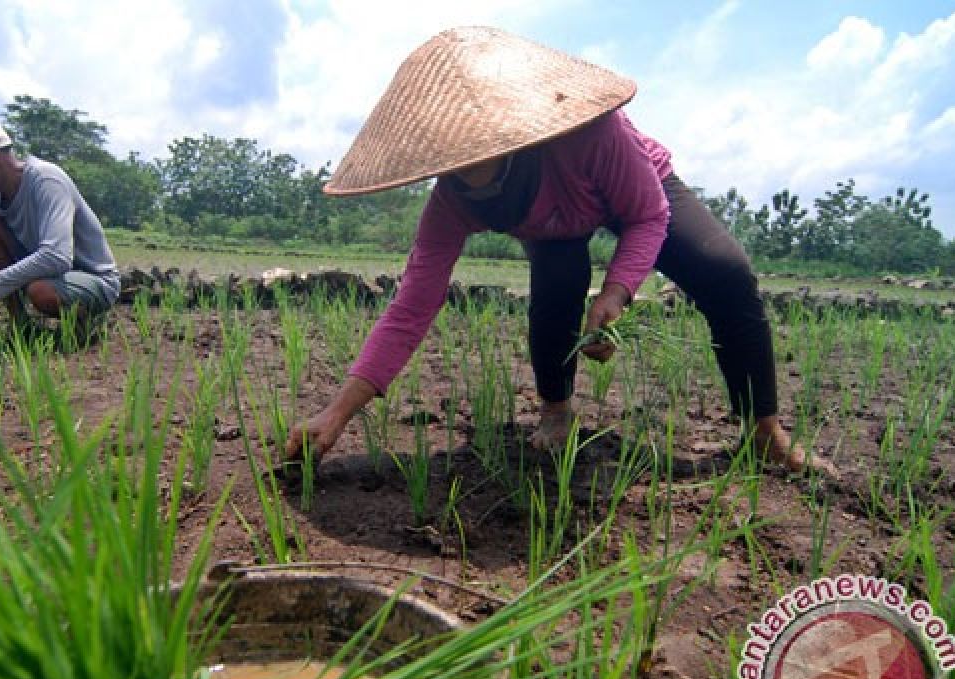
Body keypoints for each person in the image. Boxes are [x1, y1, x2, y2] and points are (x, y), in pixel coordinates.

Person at [285, 26, 835, 476]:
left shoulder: (592, 134)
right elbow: (411, 308)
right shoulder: (451, 201)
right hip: (553, 224)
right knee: (556, 288)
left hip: (632, 192)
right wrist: (336, 415)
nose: (464, 174)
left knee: (727, 273)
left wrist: (618, 293)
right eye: (451, 167)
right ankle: (556, 409)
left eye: (479, 157)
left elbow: (647, 216)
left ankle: (764, 429)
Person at [0, 112, 120, 326]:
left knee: (41, 292)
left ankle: (86, 326)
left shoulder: (46, 181)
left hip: (90, 278)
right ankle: (21, 326)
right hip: (43, 275)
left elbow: (57, 257)